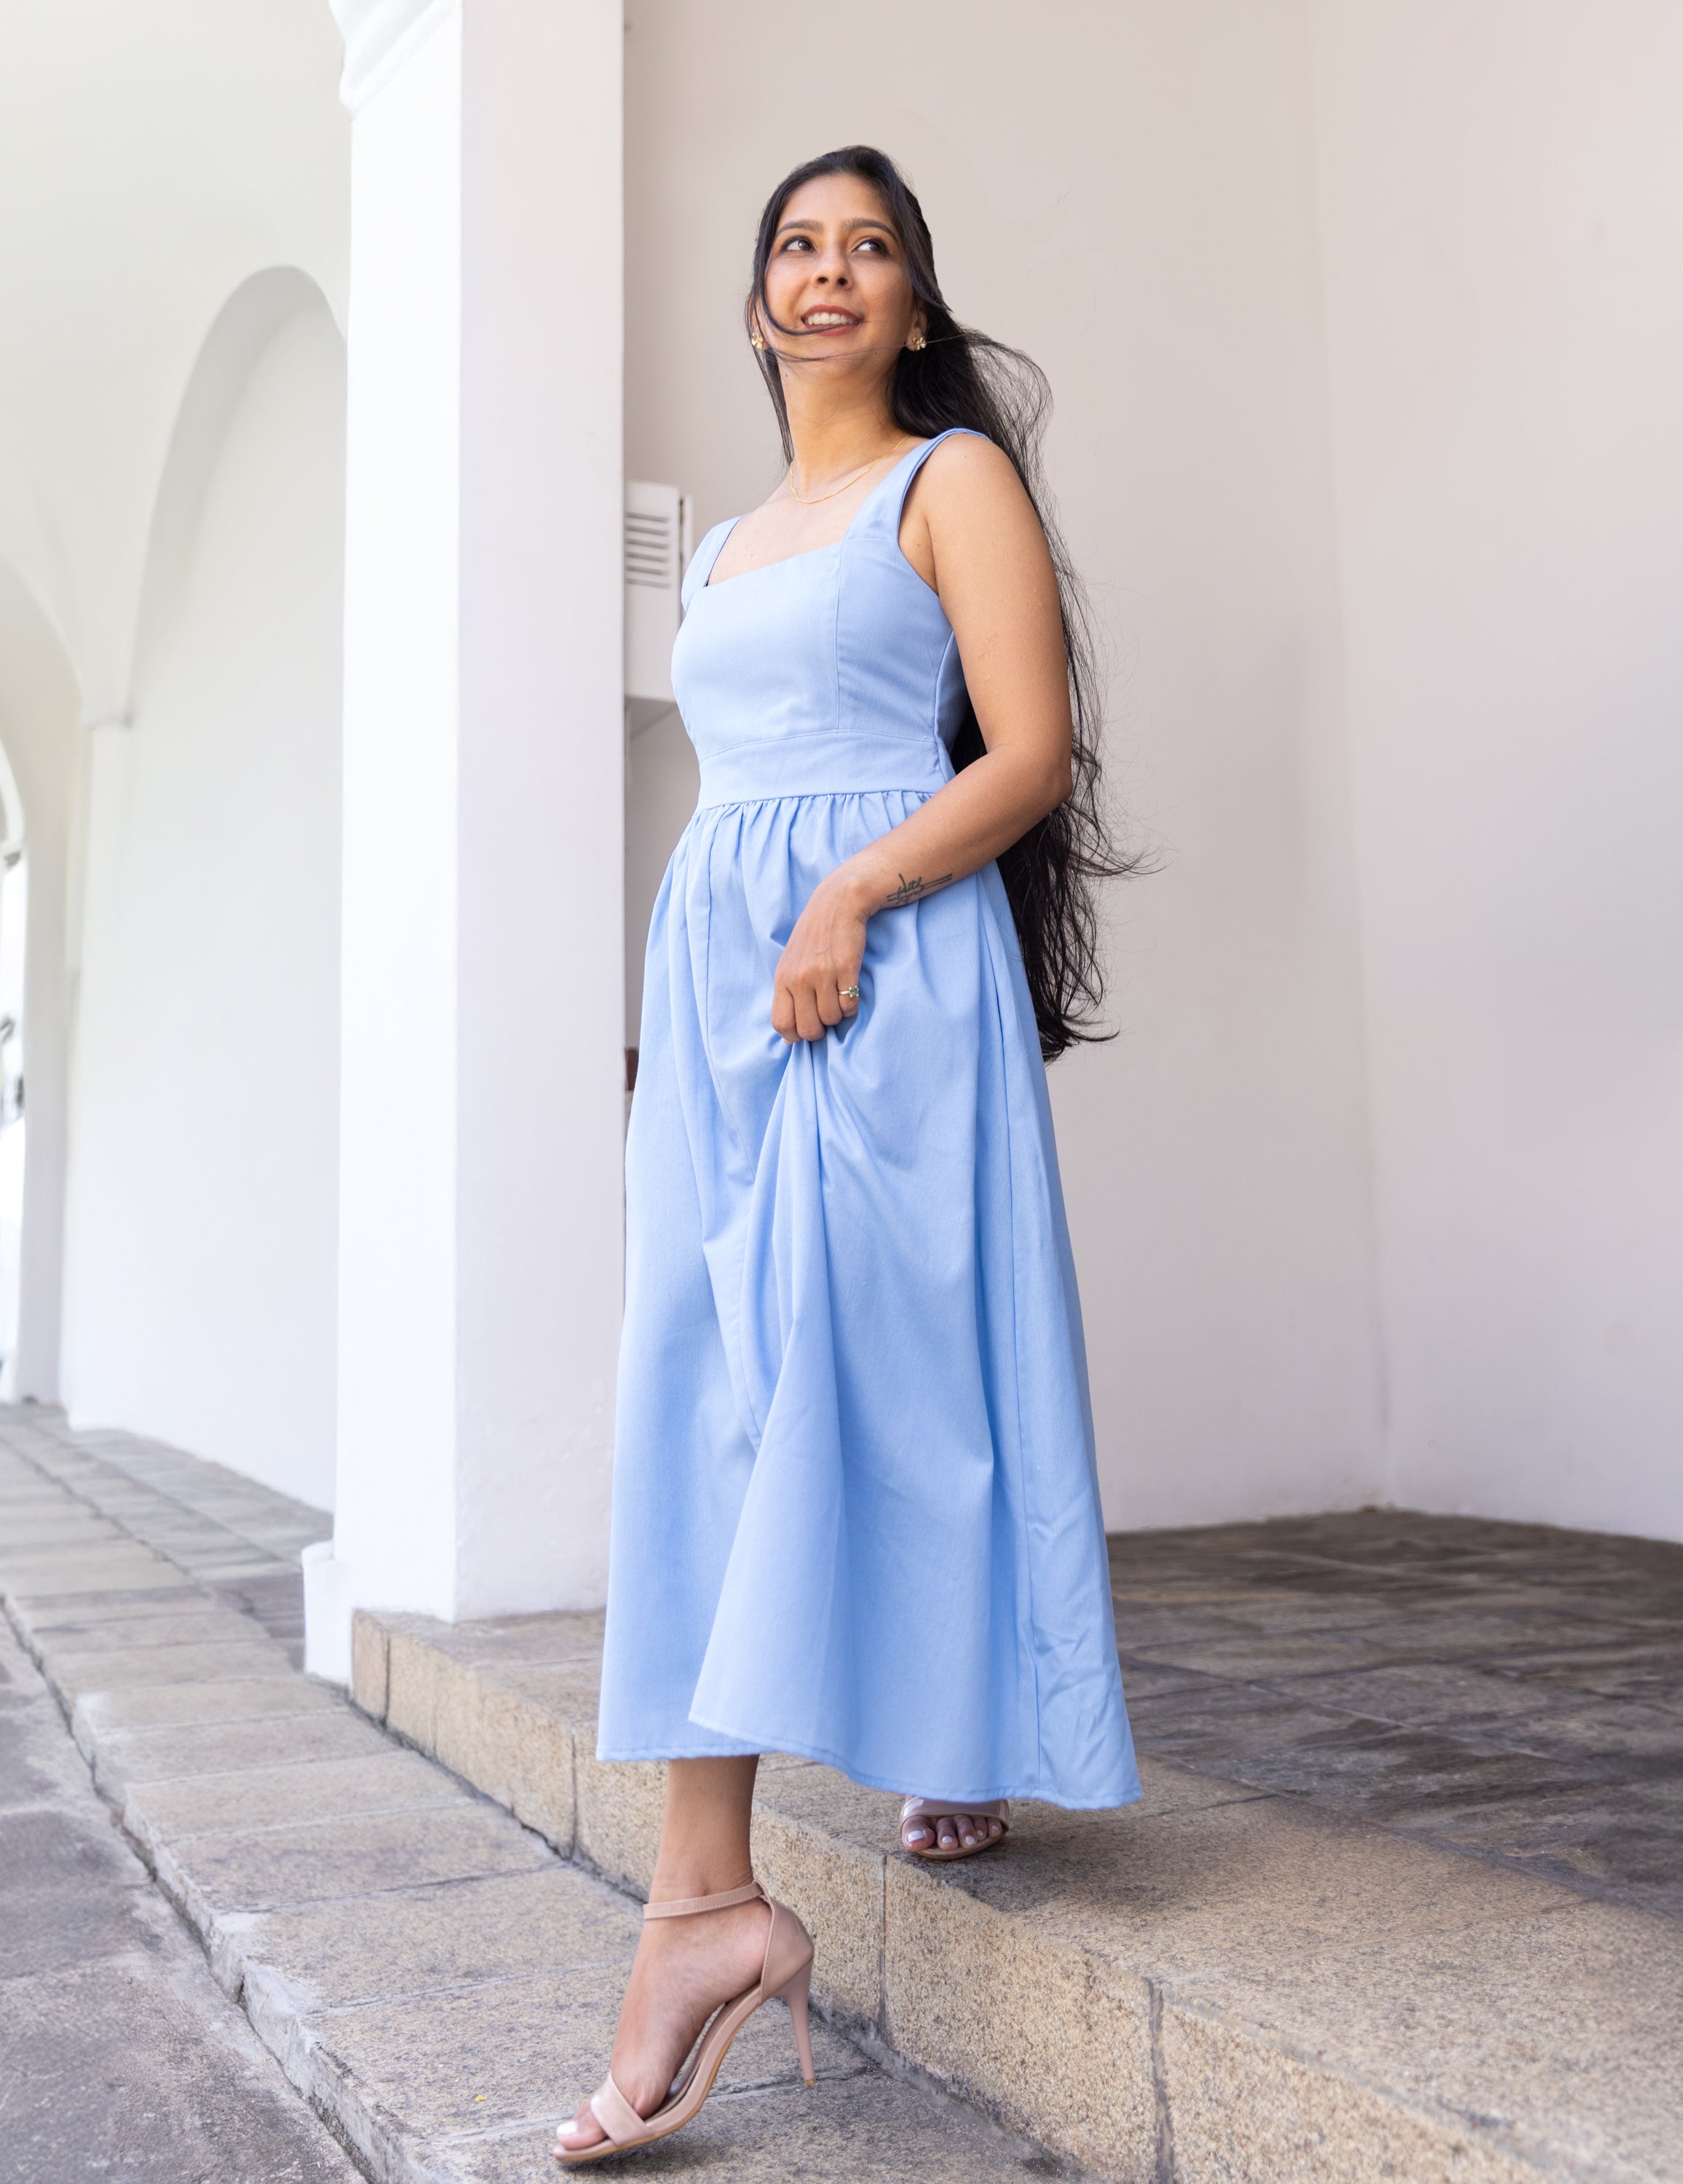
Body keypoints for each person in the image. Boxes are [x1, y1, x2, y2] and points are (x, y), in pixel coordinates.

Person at [555, 143, 1139, 2167]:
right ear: (755, 306)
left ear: (910, 306)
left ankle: (883, 1786)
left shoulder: (942, 483)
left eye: (867, 249)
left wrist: (849, 902)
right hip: (734, 990)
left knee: (890, 1381)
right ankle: (701, 1903)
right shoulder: (720, 549)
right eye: (796, 248)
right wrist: (693, 1003)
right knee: (702, 1389)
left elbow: (1027, 751)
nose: (828, 275)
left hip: (881, 976)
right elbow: (727, 796)